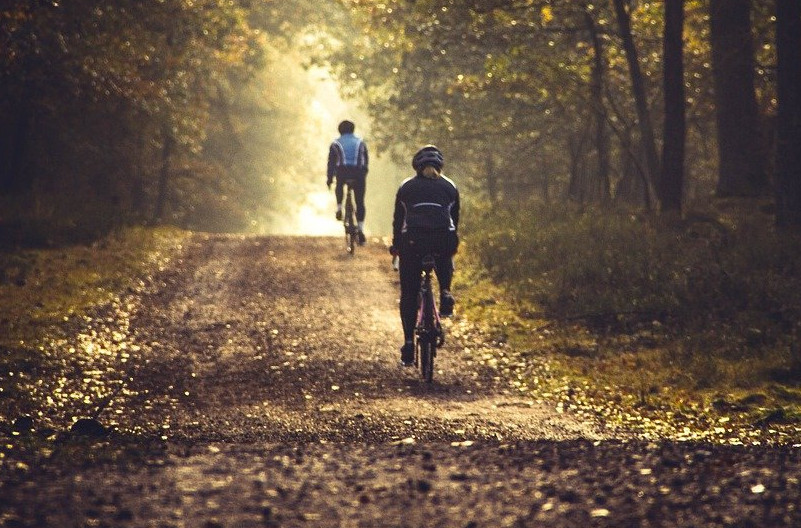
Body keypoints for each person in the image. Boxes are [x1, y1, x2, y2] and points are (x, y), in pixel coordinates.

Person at [389, 145, 460, 367]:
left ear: (416, 166)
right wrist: (450, 243)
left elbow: (398, 221)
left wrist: (396, 247)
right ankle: (446, 292)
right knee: (444, 253)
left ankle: (409, 344)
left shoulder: (406, 187)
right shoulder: (450, 187)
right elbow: (454, 222)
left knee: (409, 294)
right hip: (442, 240)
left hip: (413, 242)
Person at [327, 120, 369, 245]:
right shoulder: (361, 142)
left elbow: (331, 164)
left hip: (343, 172)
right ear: (353, 130)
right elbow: (365, 161)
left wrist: (329, 179)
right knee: (360, 201)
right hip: (358, 173)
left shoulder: (335, 143)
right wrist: (363, 175)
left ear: (340, 130)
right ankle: (360, 229)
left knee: (339, 184)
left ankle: (339, 207)